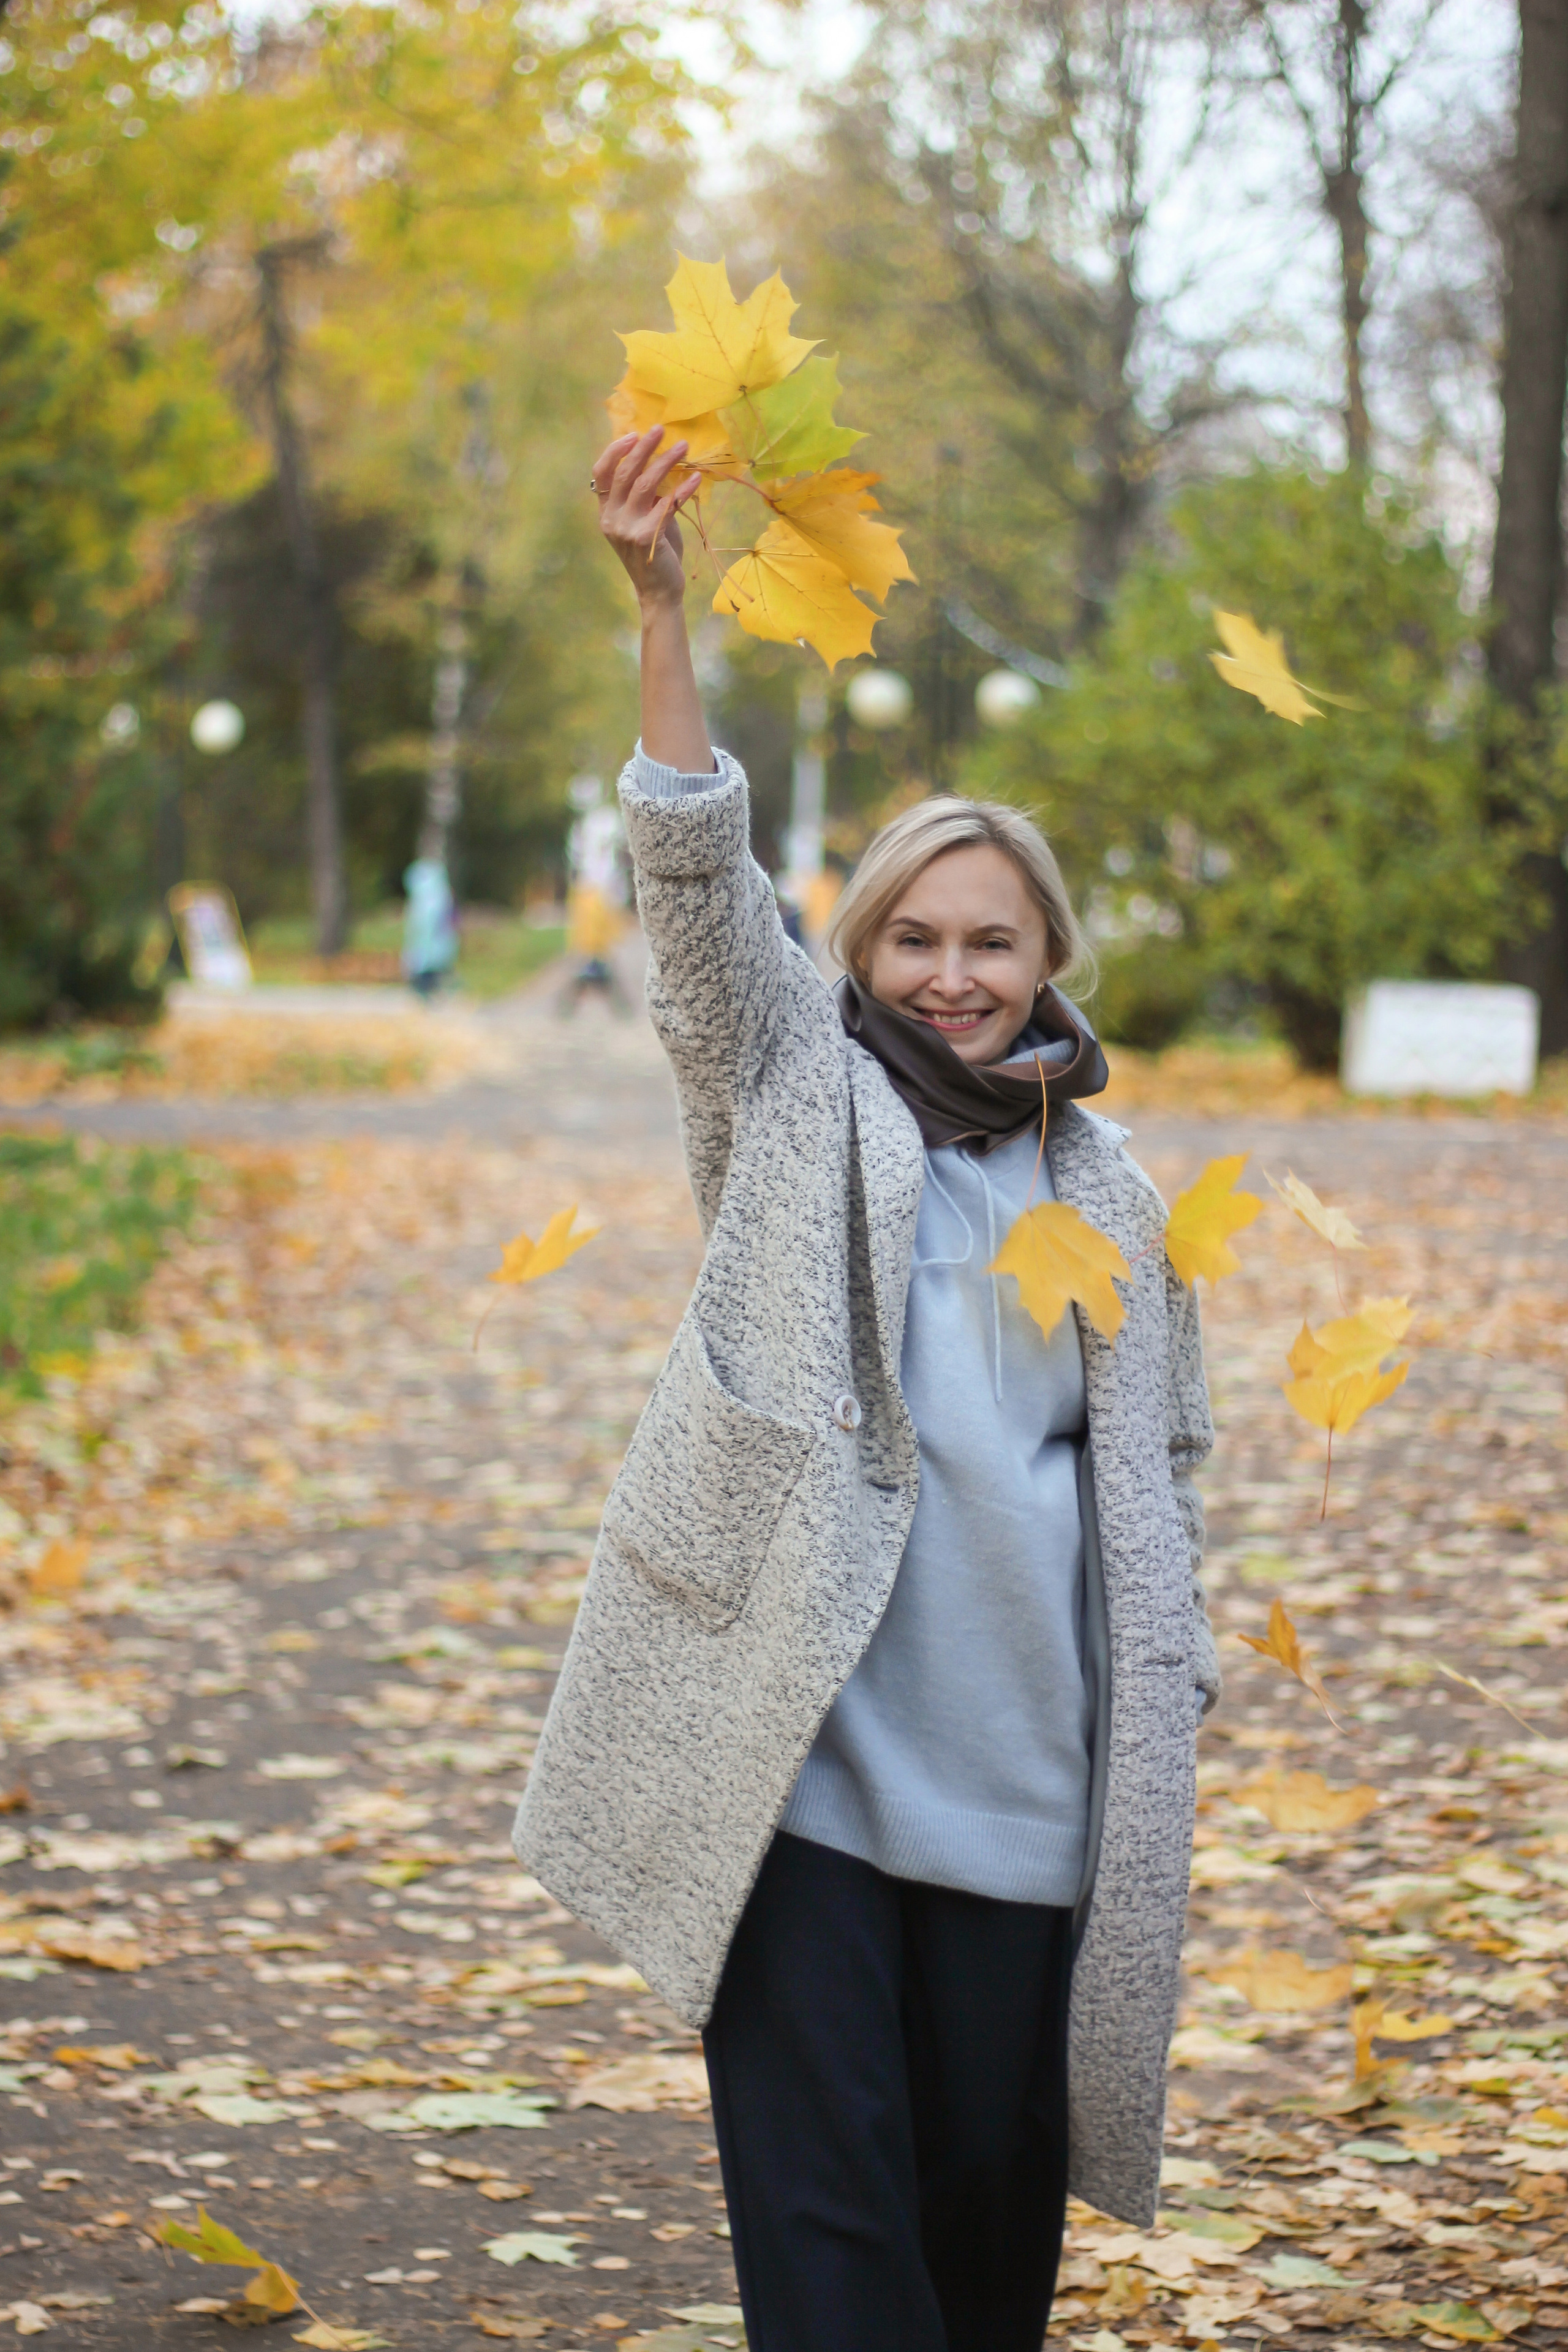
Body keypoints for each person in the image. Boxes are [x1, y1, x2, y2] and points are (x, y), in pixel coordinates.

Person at [514, 425, 1221, 2352]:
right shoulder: (792, 1096)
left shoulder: (1116, 1193)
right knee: (838, 2279)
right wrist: (663, 605)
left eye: (990, 939)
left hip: (1027, 1798)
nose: (950, 973)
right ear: (860, 950)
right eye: (912, 935)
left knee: (979, 2274)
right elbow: (688, 870)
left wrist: (1181, 1678)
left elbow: (1157, 1468)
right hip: (798, 1772)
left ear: (1049, 960)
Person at [401, 834, 457, 1000]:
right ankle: (425, 988)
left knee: (429, 956)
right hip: (428, 926)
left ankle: (428, 987)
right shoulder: (427, 875)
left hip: (431, 927)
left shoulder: (431, 875)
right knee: (424, 956)